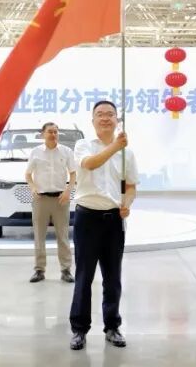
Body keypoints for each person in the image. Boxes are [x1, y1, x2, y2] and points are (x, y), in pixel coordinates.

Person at [69, 100, 138, 350]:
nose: (105, 118)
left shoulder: (127, 153)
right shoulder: (83, 145)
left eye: (110, 114)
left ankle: (112, 326)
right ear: (93, 120)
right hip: (87, 218)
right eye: (100, 114)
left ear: (117, 119)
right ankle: (79, 329)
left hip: (114, 221)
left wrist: (127, 203)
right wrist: (115, 146)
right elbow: (90, 164)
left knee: (113, 277)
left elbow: (131, 186)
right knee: (84, 277)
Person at [25, 122, 77, 283]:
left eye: (55, 132)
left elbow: (73, 173)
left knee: (63, 236)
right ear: (43, 134)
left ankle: (66, 270)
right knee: (39, 235)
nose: (53, 134)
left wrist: (68, 191)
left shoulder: (66, 151)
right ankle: (39, 270)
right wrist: (33, 187)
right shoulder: (35, 152)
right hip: (41, 199)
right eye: (50, 132)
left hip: (61, 199)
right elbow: (28, 174)